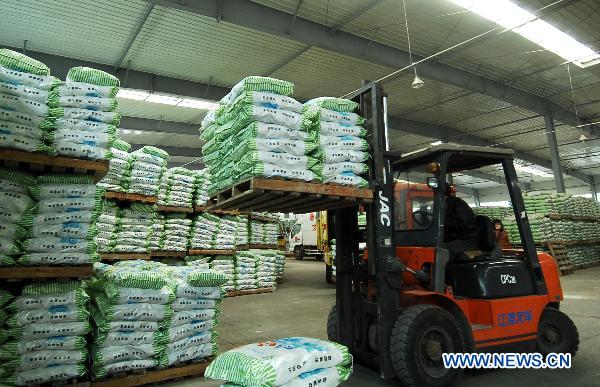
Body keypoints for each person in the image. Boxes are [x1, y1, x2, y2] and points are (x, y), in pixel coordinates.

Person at [443, 183, 480, 261]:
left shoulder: (458, 204)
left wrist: (444, 223)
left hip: (466, 239)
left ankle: (440, 272)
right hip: (453, 239)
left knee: (442, 251)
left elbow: (465, 223)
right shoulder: (441, 204)